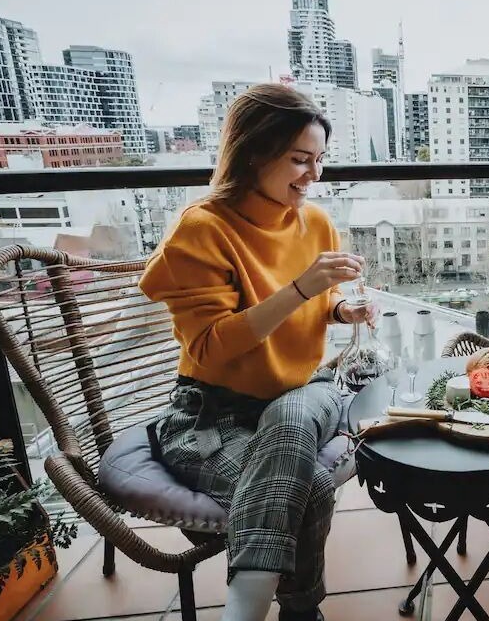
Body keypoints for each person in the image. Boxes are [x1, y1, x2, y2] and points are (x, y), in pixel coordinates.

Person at [139, 84, 376, 621]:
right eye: (299, 160)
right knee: (310, 484)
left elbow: (319, 304)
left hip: (304, 393)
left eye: (319, 160)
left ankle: (241, 613)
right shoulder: (202, 229)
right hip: (210, 415)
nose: (313, 174)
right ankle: (300, 613)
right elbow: (210, 348)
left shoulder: (314, 223)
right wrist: (301, 289)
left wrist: (340, 311)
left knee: (291, 415)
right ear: (252, 151)